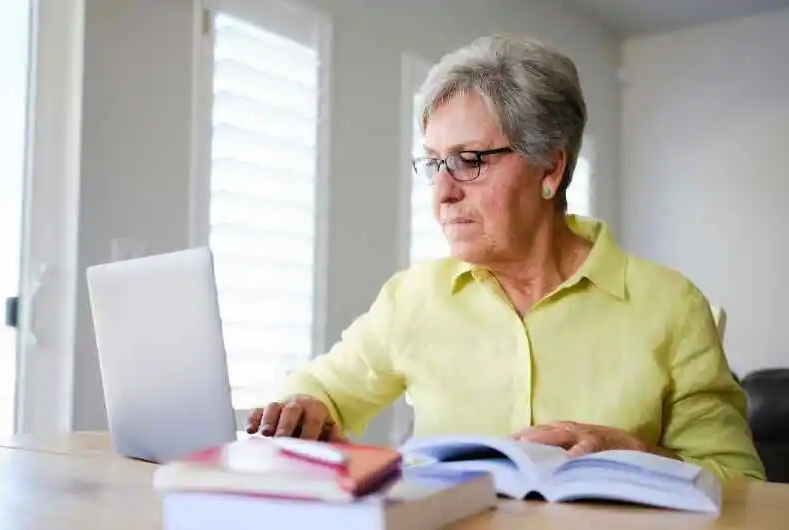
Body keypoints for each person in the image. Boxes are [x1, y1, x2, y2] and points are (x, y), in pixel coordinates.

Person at [245, 34, 765, 482]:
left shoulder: (672, 307)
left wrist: (637, 457)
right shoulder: (411, 299)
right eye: (434, 164)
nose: (442, 193)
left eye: (469, 161)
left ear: (550, 169)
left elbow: (743, 486)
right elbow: (321, 391)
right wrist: (303, 409)